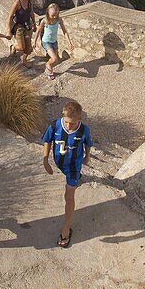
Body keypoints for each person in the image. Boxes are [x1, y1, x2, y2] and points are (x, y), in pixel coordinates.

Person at [42, 100, 92, 248]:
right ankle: (78, 180)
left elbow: (88, 143)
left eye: (73, 123)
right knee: (69, 192)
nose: (69, 126)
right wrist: (45, 160)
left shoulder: (84, 130)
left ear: (80, 119)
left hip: (73, 168)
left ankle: (66, 229)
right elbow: (47, 140)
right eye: (67, 122)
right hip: (60, 163)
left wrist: (87, 156)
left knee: (68, 197)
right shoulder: (55, 126)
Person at [34, 2, 74, 80]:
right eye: (52, 15)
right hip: (46, 42)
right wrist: (34, 42)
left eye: (56, 14)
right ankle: (48, 68)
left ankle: (48, 67)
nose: (54, 17)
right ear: (48, 13)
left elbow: (64, 31)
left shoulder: (58, 19)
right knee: (55, 59)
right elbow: (38, 31)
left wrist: (69, 42)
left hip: (54, 42)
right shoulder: (44, 21)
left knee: (55, 60)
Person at [7, 0, 36, 64]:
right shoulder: (17, 3)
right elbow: (10, 17)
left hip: (27, 25)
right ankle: (13, 47)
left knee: (28, 47)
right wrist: (9, 31)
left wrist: (34, 24)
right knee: (21, 47)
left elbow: (31, 13)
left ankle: (24, 60)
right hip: (19, 27)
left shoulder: (30, 2)